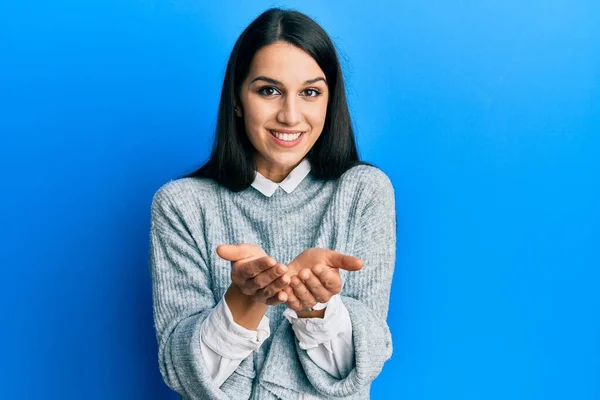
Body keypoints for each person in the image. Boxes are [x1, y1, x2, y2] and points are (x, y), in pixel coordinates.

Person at [149, 7, 396, 400]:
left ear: (330, 103)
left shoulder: (363, 192)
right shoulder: (182, 204)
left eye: (310, 92)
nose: (290, 115)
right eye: (269, 90)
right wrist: (243, 301)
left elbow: (362, 365)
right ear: (237, 99)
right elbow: (182, 372)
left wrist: (316, 305)